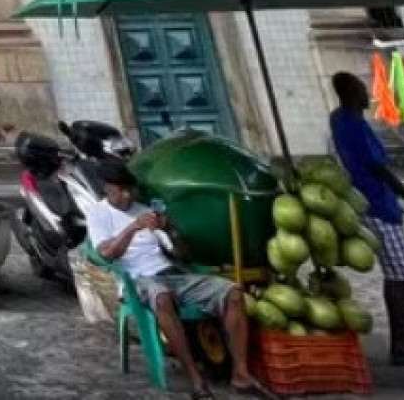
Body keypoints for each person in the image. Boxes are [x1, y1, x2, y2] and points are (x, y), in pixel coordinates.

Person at [87, 161, 278, 400]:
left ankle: (241, 374)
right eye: (119, 191)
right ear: (107, 189)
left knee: (233, 293)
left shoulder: (146, 209)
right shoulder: (98, 213)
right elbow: (107, 253)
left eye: (129, 190)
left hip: (171, 272)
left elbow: (183, 256)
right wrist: (134, 227)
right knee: (163, 298)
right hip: (138, 280)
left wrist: (170, 230)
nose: (126, 196)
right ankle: (196, 380)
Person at [328, 70, 404, 368]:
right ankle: (402, 342)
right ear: (352, 96)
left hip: (373, 203)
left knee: (399, 271)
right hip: (376, 206)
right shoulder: (353, 125)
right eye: (362, 90)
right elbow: (381, 171)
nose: (368, 94)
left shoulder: (339, 119)